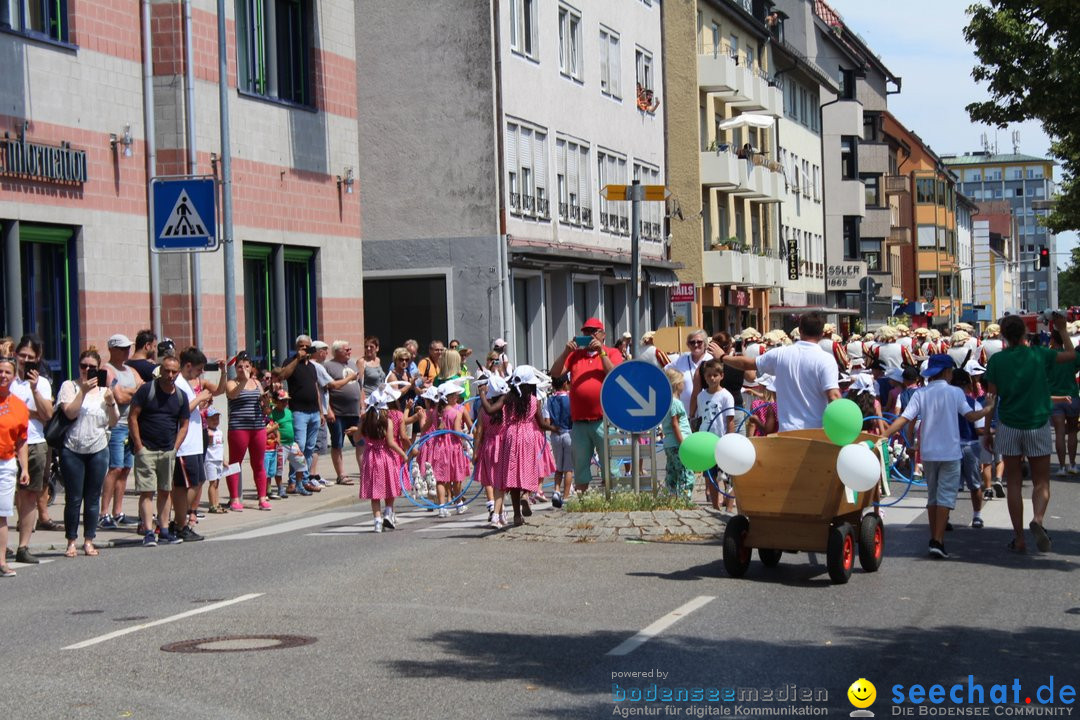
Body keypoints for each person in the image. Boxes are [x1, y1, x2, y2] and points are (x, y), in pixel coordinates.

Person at [882, 355, 996, 559]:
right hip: (950, 451)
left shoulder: (921, 393)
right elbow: (970, 416)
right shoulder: (955, 393)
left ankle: (934, 538)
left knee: (933, 496)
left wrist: (884, 435)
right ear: (947, 372)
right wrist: (987, 408)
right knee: (945, 497)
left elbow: (905, 419)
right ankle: (937, 540)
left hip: (928, 451)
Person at [985, 313, 1074, 553]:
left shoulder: (996, 361)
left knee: (1013, 482)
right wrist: (1062, 329)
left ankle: (1019, 538)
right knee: (1041, 481)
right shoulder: (1039, 354)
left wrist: (986, 430)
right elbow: (1071, 355)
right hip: (1037, 423)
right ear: (1025, 333)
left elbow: (991, 399)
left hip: (1009, 424)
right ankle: (1038, 519)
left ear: (1004, 335)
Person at [722, 313, 841, 432]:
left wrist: (722, 357)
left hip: (787, 432)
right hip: (815, 432)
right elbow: (833, 396)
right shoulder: (826, 359)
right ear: (821, 333)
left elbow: (746, 363)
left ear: (800, 330)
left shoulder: (781, 354)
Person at [548, 317, 624, 494]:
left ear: (602, 335)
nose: (588, 335)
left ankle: (612, 501)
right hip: (580, 422)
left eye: (592, 331)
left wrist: (601, 353)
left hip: (604, 419)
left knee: (609, 466)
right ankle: (583, 501)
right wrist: (566, 352)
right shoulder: (575, 356)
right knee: (581, 468)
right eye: (585, 332)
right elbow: (555, 372)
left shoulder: (612, 352)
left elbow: (614, 374)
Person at [58, 349, 120, 556]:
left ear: (98, 369)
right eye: (83, 366)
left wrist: (111, 402)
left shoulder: (104, 391)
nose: (87, 370)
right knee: (74, 498)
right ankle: (71, 541)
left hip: (98, 448)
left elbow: (113, 421)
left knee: (93, 497)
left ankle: (89, 540)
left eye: (91, 367)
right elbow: (69, 412)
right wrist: (83, 391)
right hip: (72, 448)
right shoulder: (69, 386)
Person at [129, 354, 188, 547]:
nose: (170, 375)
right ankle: (148, 532)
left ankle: (163, 531)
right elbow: (133, 417)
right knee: (147, 492)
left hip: (167, 452)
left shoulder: (180, 396)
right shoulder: (147, 390)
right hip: (147, 450)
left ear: (178, 373)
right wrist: (139, 446)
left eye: (173, 371)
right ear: (160, 371)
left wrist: (175, 447)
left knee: (165, 491)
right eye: (166, 370)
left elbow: (184, 424)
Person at [9, 335, 55, 564]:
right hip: (6, 444)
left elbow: (47, 415)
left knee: (28, 496)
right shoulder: (6, 378)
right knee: (5, 496)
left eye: (30, 357)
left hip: (35, 442)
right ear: (15, 355)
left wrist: (35, 390)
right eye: (22, 355)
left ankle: (23, 546)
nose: (25, 360)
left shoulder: (43, 383)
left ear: (37, 359)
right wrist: (27, 413)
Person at [172, 346, 222, 537]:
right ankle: (180, 523)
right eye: (199, 368)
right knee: (187, 484)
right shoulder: (178, 382)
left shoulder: (185, 383)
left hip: (193, 441)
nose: (201, 373)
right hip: (184, 444)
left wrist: (200, 403)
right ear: (189, 366)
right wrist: (199, 398)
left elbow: (189, 408)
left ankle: (180, 521)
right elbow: (179, 409)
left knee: (196, 481)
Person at [497, 366, 556, 527]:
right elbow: (542, 424)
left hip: (510, 435)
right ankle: (526, 494)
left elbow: (494, 412)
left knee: (513, 473)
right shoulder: (533, 400)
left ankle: (516, 515)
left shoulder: (508, 399)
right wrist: (554, 429)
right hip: (528, 435)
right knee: (528, 469)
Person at [99, 334, 141, 529]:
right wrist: (132, 392)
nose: (127, 351)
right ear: (112, 349)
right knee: (114, 468)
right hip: (115, 426)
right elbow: (120, 398)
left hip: (130, 426)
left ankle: (118, 511)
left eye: (128, 348)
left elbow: (142, 389)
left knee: (125, 469)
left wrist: (129, 391)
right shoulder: (107, 370)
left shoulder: (131, 370)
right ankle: (103, 512)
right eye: (123, 348)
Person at [355, 389, 408, 533]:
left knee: (375, 491)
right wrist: (403, 454)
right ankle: (388, 512)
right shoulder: (387, 422)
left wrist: (361, 423)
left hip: (370, 457)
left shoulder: (366, 420)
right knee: (390, 487)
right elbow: (390, 442)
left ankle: (377, 520)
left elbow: (356, 438)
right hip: (386, 456)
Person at [225, 352, 272, 508]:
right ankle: (234, 499)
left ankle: (262, 497)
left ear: (251, 367)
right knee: (235, 463)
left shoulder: (257, 383)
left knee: (258, 463)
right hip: (239, 427)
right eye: (239, 366)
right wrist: (243, 381)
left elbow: (265, 410)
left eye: (246, 366)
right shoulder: (232, 383)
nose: (243, 369)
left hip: (258, 427)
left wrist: (266, 403)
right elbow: (232, 395)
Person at [278, 336, 324, 491]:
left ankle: (304, 479)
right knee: (299, 447)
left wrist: (321, 412)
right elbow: (283, 375)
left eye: (307, 346)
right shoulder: (291, 361)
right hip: (299, 412)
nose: (304, 349)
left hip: (314, 412)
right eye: (301, 346)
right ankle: (293, 480)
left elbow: (316, 389)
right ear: (297, 347)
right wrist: (297, 359)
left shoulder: (312, 366)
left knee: (310, 448)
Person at [0, 357, 30, 577]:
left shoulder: (19, 406)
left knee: (2, 515)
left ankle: (1, 561)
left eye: (7, 372)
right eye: (0, 371)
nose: (3, 375)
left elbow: (21, 441)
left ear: (14, 376)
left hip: (6, 464)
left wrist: (25, 468)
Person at [324, 340, 363, 485]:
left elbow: (360, 387)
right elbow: (324, 390)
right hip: (338, 413)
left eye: (350, 349)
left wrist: (362, 407)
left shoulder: (352, 364)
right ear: (337, 351)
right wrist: (329, 410)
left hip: (354, 412)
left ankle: (364, 471)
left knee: (360, 442)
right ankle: (341, 475)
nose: (349, 351)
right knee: (337, 444)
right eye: (346, 349)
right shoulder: (328, 366)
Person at [952, 369, 986, 529]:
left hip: (950, 446)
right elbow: (979, 429)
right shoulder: (974, 403)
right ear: (967, 384)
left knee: (948, 485)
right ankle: (977, 516)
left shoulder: (946, 401)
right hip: (970, 446)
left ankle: (945, 517)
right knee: (975, 484)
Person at [474, 373, 510, 525]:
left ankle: (501, 514)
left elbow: (479, 432)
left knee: (494, 481)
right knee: (500, 482)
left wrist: (476, 451)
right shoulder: (506, 408)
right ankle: (496, 514)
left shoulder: (483, 410)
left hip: (488, 446)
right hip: (502, 445)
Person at [1047, 330, 1080, 475]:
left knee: (1059, 432)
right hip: (1072, 396)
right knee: (1073, 431)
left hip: (1054, 397)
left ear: (1053, 341)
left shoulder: (1049, 357)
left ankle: (1061, 467)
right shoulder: (1074, 356)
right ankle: (1073, 464)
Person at [660, 368, 694, 501]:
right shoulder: (676, 403)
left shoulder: (666, 403)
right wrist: (683, 444)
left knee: (672, 473)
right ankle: (684, 500)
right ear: (676, 384)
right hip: (679, 442)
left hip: (669, 443)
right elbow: (675, 424)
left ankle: (671, 498)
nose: (684, 385)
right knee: (685, 473)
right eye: (682, 382)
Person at [665, 329, 713, 411]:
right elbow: (665, 370)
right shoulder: (681, 359)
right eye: (692, 342)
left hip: (708, 410)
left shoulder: (712, 359)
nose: (696, 344)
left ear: (705, 344)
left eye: (699, 342)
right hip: (685, 411)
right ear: (688, 345)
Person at [546, 374, 573, 508]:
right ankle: (566, 495)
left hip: (555, 434)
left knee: (558, 467)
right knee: (569, 468)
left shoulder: (549, 400)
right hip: (569, 433)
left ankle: (556, 490)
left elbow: (546, 421)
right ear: (565, 384)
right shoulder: (570, 399)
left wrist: (553, 427)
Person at [203, 408, 226, 512]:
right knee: (212, 483)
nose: (215, 421)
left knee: (217, 483)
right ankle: (212, 505)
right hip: (210, 461)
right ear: (206, 420)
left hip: (219, 460)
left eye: (217, 419)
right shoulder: (206, 432)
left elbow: (221, 447)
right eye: (212, 419)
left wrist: (224, 459)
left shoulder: (220, 432)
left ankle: (217, 504)